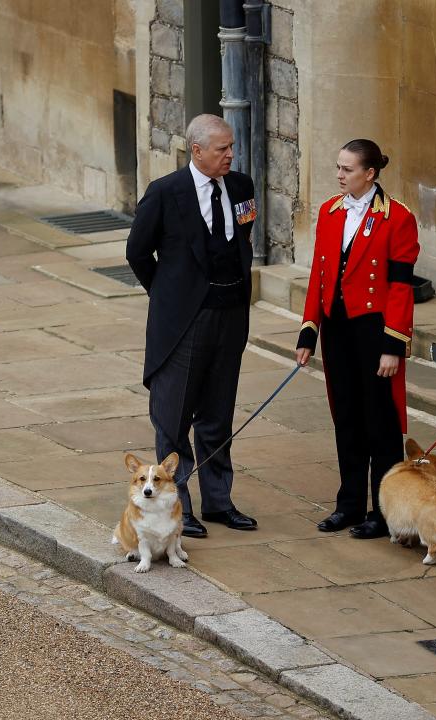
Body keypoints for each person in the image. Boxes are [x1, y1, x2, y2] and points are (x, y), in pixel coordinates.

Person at [126, 114, 258, 538]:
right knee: (174, 416)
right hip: (183, 324)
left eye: (232, 147)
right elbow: (138, 252)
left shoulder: (240, 187)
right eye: (222, 149)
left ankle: (219, 501)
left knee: (218, 415)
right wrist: (168, 297)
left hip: (230, 317)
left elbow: (243, 237)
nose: (230, 155)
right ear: (197, 151)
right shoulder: (165, 193)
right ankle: (178, 503)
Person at [296, 139, 420, 539]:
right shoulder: (331, 212)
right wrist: (308, 330)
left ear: (370, 173)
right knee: (346, 418)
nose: (339, 175)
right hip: (338, 330)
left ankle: (384, 513)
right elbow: (319, 273)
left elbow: (402, 287)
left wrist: (393, 345)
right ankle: (348, 505)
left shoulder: (398, 218)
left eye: (347, 169)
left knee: (380, 425)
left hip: (375, 331)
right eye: (338, 167)